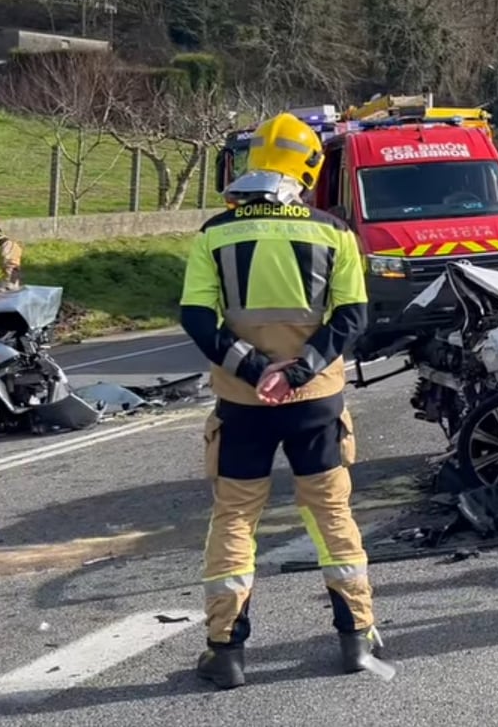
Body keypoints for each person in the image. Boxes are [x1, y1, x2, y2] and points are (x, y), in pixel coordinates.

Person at [179, 110, 391, 690]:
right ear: (308, 168)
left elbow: (197, 316)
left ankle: (225, 650)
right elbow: (352, 316)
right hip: (315, 400)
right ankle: (356, 637)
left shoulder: (215, 233)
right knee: (331, 514)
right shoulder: (333, 232)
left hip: (242, 403)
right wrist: (296, 372)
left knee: (235, 518)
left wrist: (253, 369)